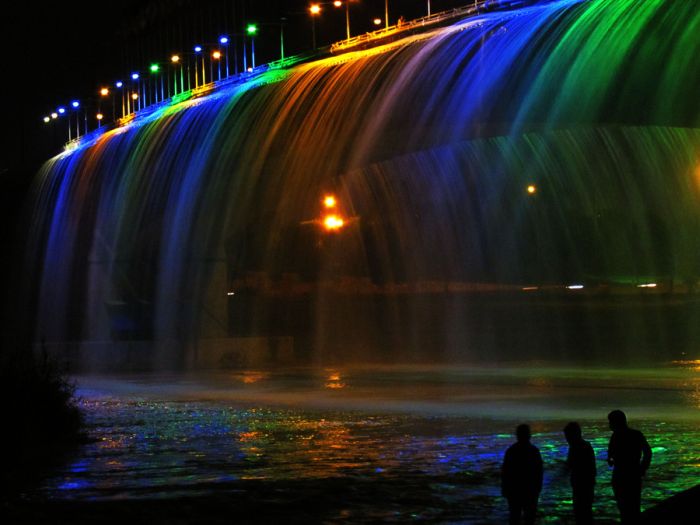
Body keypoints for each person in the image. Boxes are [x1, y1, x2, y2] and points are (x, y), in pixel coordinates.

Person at [607, 410, 652, 524]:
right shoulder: (636, 434)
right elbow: (648, 452)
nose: (609, 425)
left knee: (623, 507)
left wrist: (611, 460)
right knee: (634, 506)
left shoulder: (615, 436)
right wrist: (642, 468)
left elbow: (610, 454)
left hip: (620, 475)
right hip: (634, 474)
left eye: (610, 422)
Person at [502, 424, 544, 525]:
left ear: (517, 435)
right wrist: (538, 488)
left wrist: (505, 488)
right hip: (530, 490)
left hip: (515, 489)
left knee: (514, 517)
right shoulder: (534, 451)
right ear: (529, 435)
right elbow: (539, 471)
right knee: (529, 518)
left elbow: (505, 472)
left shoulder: (511, 451)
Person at [564, 422, 596, 525]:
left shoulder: (575, 448)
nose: (567, 439)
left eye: (568, 436)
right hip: (587, 484)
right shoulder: (586, 446)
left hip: (580, 485)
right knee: (586, 512)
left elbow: (570, 465)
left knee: (580, 512)